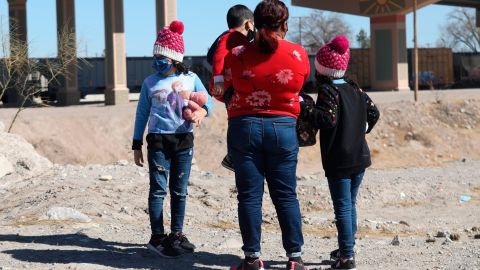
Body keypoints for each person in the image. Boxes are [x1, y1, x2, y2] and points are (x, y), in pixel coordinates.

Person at [215, 1, 310, 269]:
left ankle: (253, 258)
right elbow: (300, 84)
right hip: (283, 128)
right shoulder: (299, 54)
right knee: (286, 195)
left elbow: (221, 89)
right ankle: (294, 258)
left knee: (248, 196)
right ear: (284, 24)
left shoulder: (236, 54)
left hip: (244, 128)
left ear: (254, 23)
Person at [132, 20, 213, 258]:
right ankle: (157, 237)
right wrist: (137, 144)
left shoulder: (191, 78)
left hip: (183, 141)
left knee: (179, 191)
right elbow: (141, 114)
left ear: (175, 59)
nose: (158, 62)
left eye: (163, 58)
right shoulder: (150, 83)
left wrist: (201, 111)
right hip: (157, 141)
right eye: (155, 57)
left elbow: (208, 102)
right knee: (158, 190)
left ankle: (176, 235)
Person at [299, 36, 380, 270]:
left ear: (322, 68)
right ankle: (348, 247)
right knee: (350, 204)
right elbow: (374, 113)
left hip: (339, 160)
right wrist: (361, 129)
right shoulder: (355, 88)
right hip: (360, 156)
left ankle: (346, 256)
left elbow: (327, 119)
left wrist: (306, 107)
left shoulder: (327, 90)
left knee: (343, 206)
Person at [207, 4, 255, 171]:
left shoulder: (236, 38)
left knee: (236, 120)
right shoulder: (230, 37)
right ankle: (232, 157)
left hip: (232, 87)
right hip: (227, 87)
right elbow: (219, 57)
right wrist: (218, 80)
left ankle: (234, 155)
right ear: (249, 23)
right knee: (235, 121)